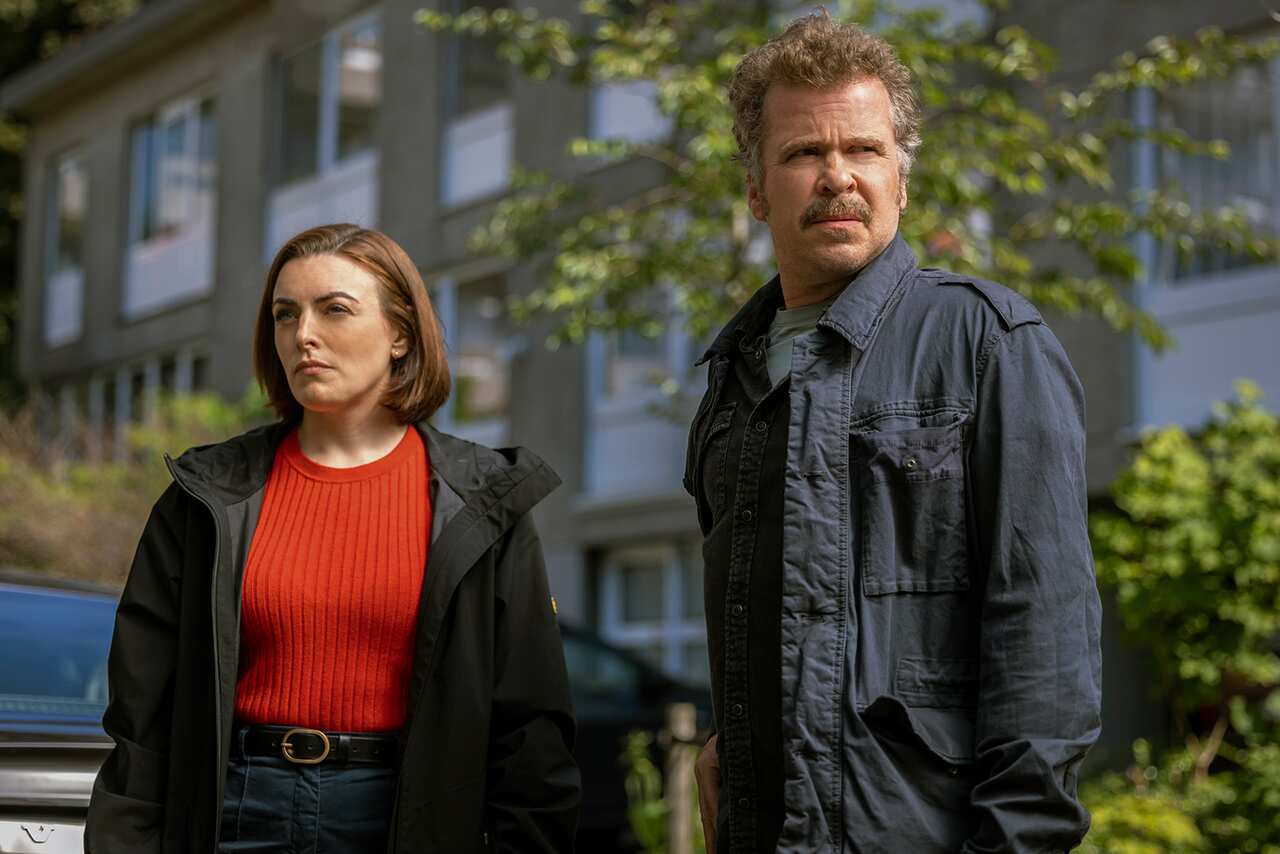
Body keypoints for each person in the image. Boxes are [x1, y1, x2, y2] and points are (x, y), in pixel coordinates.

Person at [685, 12, 1101, 853]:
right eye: (803, 154)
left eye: (865, 151)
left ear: (902, 181)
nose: (837, 176)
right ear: (757, 190)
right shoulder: (731, 376)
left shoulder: (986, 342)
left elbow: (1044, 638)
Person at [85, 224, 580, 853]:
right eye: (284, 315)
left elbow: (532, 729)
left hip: (407, 816)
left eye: (334, 310)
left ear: (400, 334)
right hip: (231, 813)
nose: (303, 336)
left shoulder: (484, 501)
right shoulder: (205, 496)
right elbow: (141, 718)